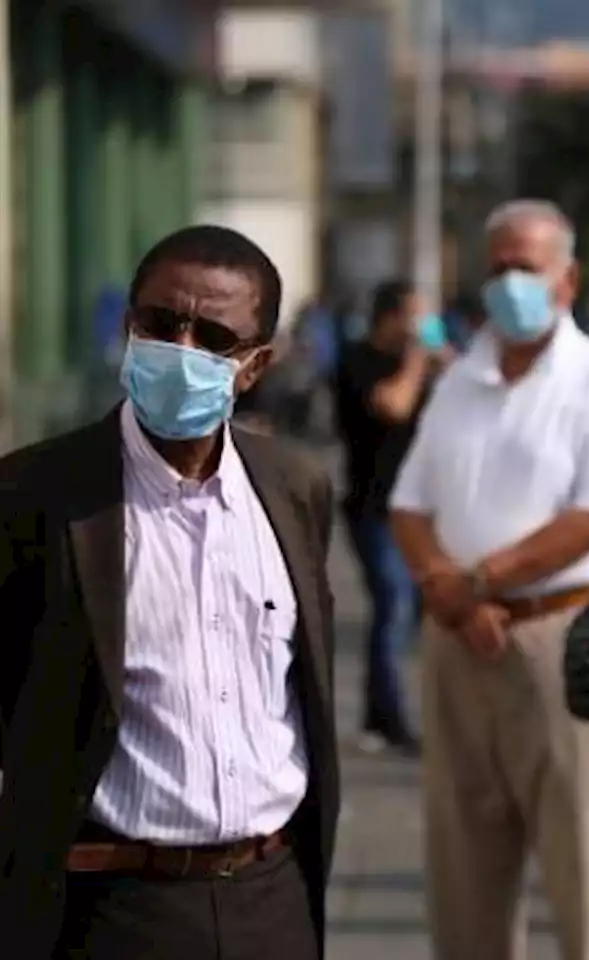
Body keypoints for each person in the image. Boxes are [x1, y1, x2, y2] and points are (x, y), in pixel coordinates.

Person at [0, 225, 340, 959]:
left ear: (254, 367)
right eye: (161, 324)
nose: (180, 350)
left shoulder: (294, 488)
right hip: (109, 905)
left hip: (270, 895)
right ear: (129, 326)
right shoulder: (37, 494)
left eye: (213, 335)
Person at [389, 199, 589, 960]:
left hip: (561, 641)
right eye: (499, 267)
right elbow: (409, 504)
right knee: (464, 872)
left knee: (587, 871)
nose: (510, 284)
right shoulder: (458, 380)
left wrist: (478, 582)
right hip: (458, 641)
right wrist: (449, 589)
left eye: (527, 268)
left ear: (566, 281)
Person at [335, 278, 445, 753]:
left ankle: (383, 711)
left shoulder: (417, 365)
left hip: (418, 510)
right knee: (393, 605)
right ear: (390, 317)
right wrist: (419, 362)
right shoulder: (359, 360)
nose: (421, 327)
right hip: (373, 508)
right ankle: (389, 719)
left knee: (415, 612)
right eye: (414, 316)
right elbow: (394, 406)